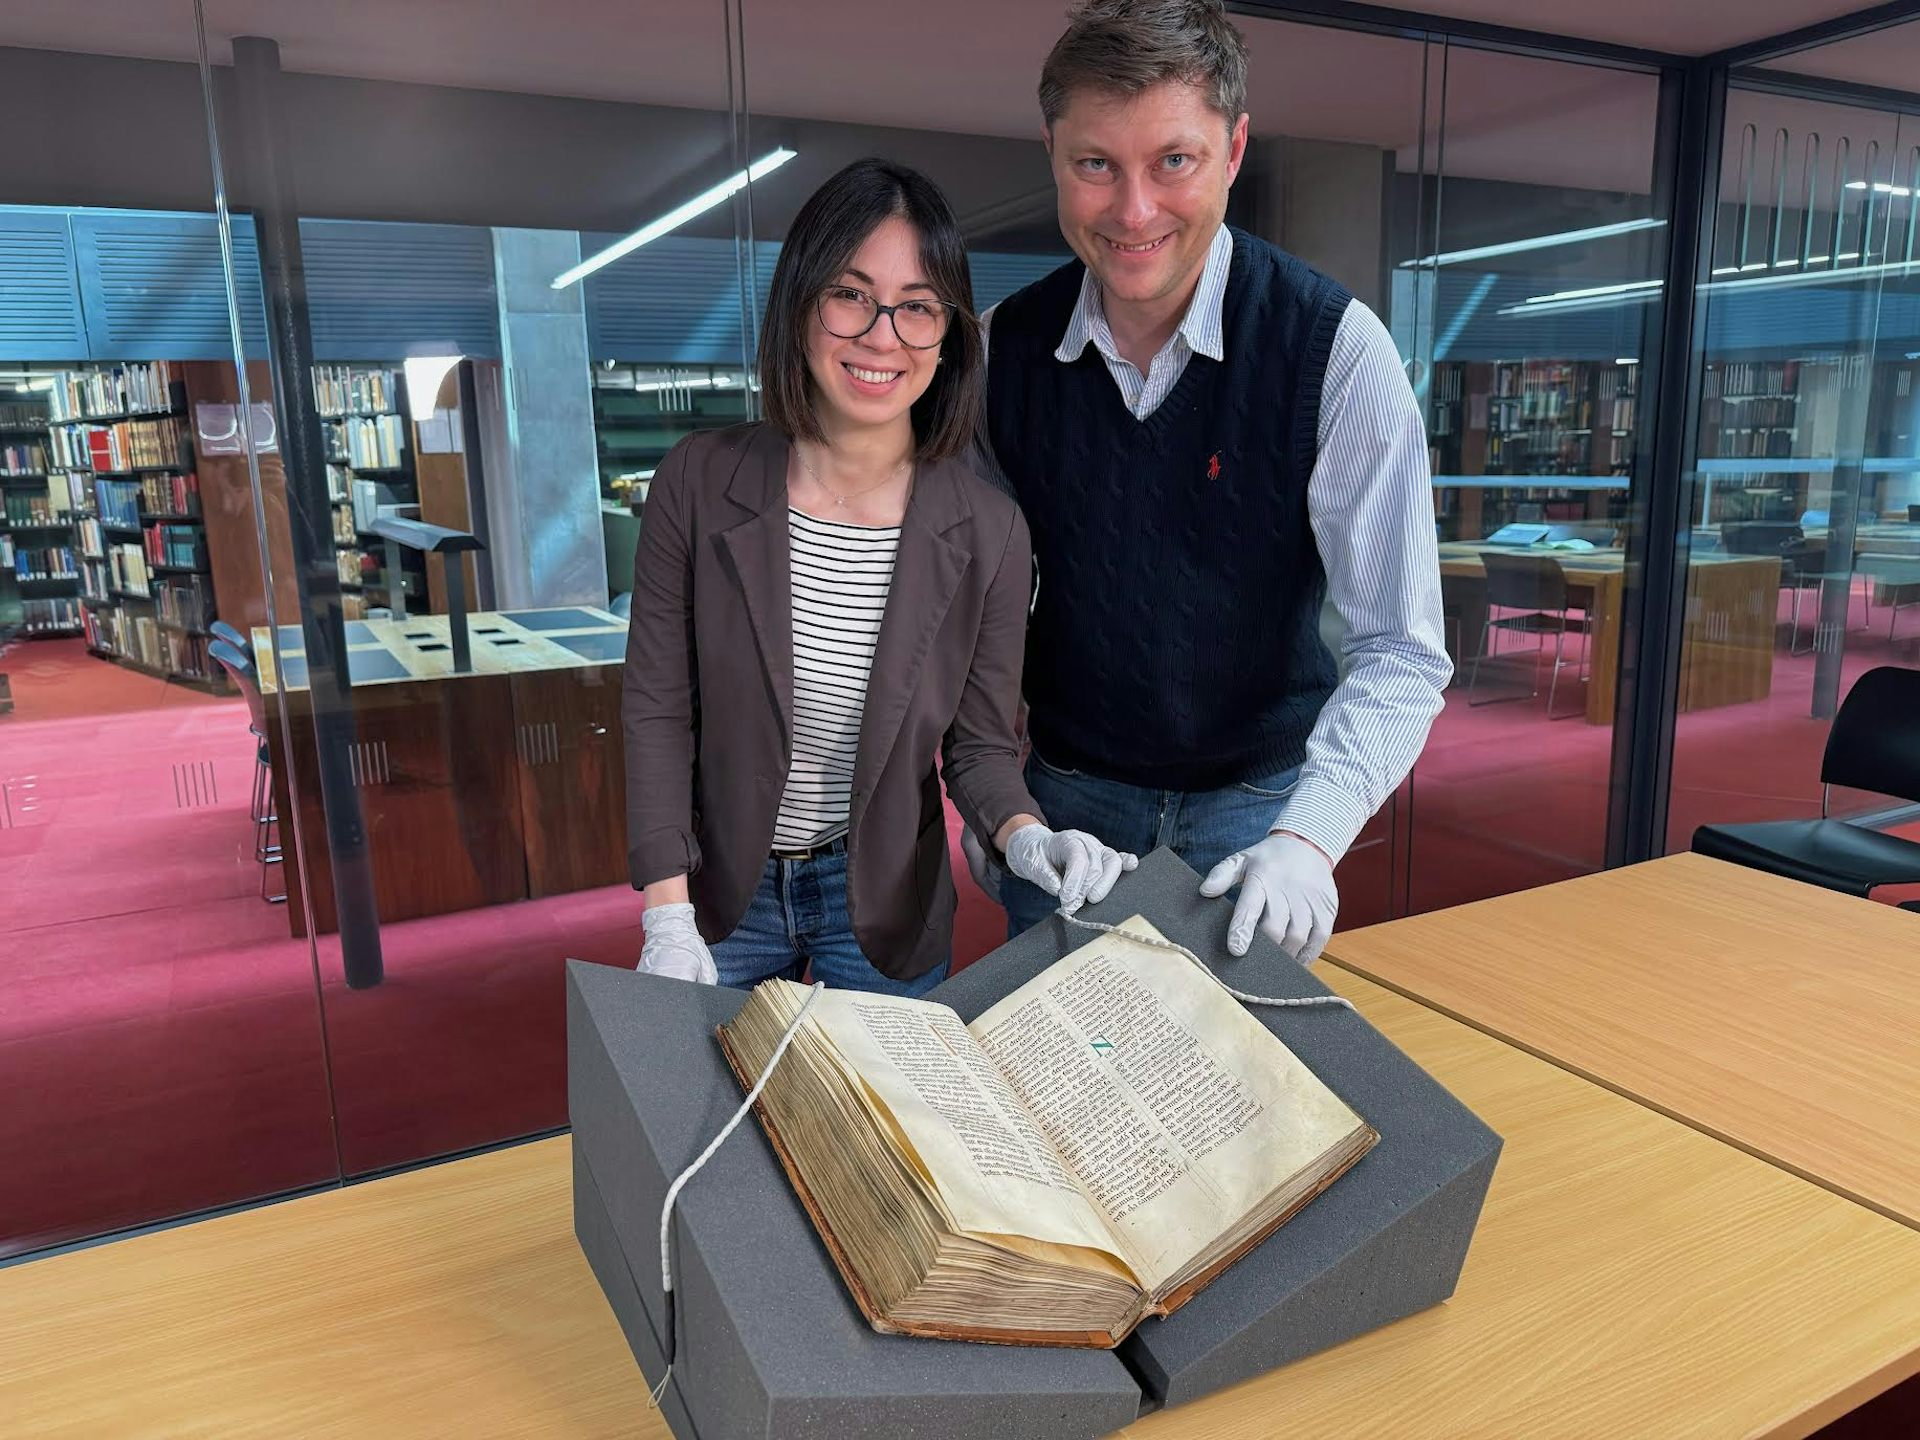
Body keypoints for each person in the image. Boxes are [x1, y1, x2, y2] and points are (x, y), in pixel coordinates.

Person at [965, 0, 1451, 965]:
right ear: (1053, 156)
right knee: (1053, 1091)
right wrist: (1004, 823)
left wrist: (1308, 840)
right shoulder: (999, 354)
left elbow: (1402, 650)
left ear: (1233, 151)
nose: (1133, 210)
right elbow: (962, 621)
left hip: (1259, 810)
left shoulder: (1336, 351)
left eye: (1172, 162)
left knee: (1236, 1102)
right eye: (1095, 164)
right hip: (1071, 812)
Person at [623, 158, 1134, 995]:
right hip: (719, 897)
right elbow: (656, 712)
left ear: (949, 333)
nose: (882, 334)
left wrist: (1026, 834)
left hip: (884, 900)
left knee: (885, 1128)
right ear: (800, 306)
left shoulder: (991, 531)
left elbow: (978, 747)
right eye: (851, 295)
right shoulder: (698, 481)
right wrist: (666, 915)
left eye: (918, 307)